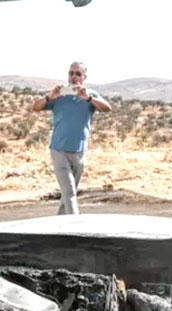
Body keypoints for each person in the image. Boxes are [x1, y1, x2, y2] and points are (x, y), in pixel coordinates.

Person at [32, 62, 111, 215]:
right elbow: (36, 107)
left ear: (84, 77)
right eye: (71, 73)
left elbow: (107, 108)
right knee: (69, 192)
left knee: (69, 193)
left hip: (79, 151)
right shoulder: (59, 95)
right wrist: (49, 97)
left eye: (78, 74)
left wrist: (89, 98)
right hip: (59, 150)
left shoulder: (90, 95)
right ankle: (75, 225)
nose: (74, 77)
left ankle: (59, 224)